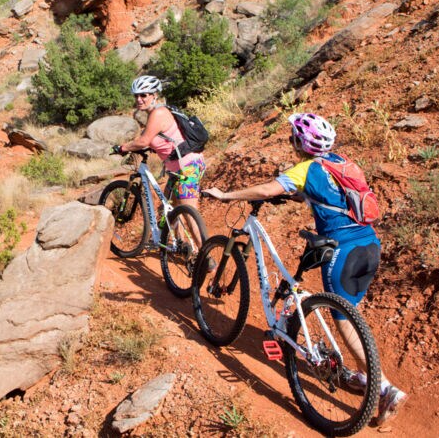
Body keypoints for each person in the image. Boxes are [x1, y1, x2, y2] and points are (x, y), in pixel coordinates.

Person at [202, 112, 407, 426]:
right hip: (369, 245)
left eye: (293, 136)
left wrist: (226, 194)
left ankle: (385, 389)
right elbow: (330, 193)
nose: (290, 139)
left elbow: (269, 190)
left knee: (344, 321)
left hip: (343, 250)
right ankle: (364, 376)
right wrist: (299, 195)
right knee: (351, 315)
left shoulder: (304, 168)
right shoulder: (339, 161)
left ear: (299, 142)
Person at [112, 75, 206, 249]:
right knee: (167, 208)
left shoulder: (158, 113)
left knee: (189, 214)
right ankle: (182, 245)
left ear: (154, 95)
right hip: (178, 169)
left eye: (144, 95)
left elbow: (144, 140)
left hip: (188, 168)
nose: (139, 99)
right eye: (136, 96)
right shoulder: (156, 113)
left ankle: (207, 260)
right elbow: (164, 140)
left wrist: (123, 148)